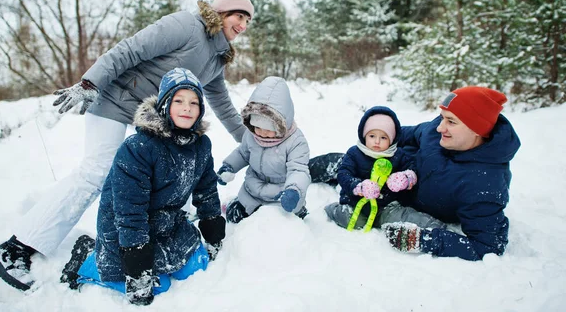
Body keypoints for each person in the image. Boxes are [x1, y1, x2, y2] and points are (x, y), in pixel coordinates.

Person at [0, 0, 253, 291]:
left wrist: (250, 142)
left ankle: (124, 239)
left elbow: (223, 105)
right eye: (238, 16)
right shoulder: (186, 25)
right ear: (220, 12)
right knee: (96, 173)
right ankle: (15, 248)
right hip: (116, 99)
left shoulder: (216, 59)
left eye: (247, 20)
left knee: (159, 172)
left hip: (155, 117)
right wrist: (91, 81)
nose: (242, 25)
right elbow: (131, 48)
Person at [59, 68, 225, 306]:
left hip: (165, 223)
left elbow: (206, 188)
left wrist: (213, 228)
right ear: (164, 105)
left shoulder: (201, 146)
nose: (187, 108)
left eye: (194, 102)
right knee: (160, 287)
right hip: (125, 229)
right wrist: (137, 267)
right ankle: (88, 260)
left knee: (196, 267)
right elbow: (129, 211)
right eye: (178, 100)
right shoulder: (139, 147)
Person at [381, 86, 521, 261]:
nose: (440, 127)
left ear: (477, 129)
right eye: (442, 118)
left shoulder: (484, 184)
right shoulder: (439, 132)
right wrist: (377, 137)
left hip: (403, 201)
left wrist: (424, 240)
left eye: (451, 122)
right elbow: (405, 134)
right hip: (390, 167)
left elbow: (488, 246)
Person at [324, 106, 443, 230]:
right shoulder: (354, 153)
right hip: (356, 203)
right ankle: (334, 210)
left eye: (383, 138)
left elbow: (412, 168)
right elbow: (344, 174)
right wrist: (358, 186)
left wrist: (406, 178)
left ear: (391, 139)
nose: (377, 141)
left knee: (401, 217)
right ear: (364, 136)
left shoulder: (398, 155)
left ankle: (432, 226)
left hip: (386, 205)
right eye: (372, 136)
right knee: (355, 221)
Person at [217, 76, 311, 223]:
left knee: (284, 230)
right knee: (234, 217)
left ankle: (299, 212)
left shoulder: (296, 142)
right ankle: (233, 205)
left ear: (282, 125)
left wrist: (293, 190)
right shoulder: (251, 135)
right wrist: (229, 167)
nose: (261, 133)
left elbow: (298, 170)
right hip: (252, 193)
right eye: (257, 127)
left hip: (281, 197)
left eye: (268, 129)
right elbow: (242, 153)